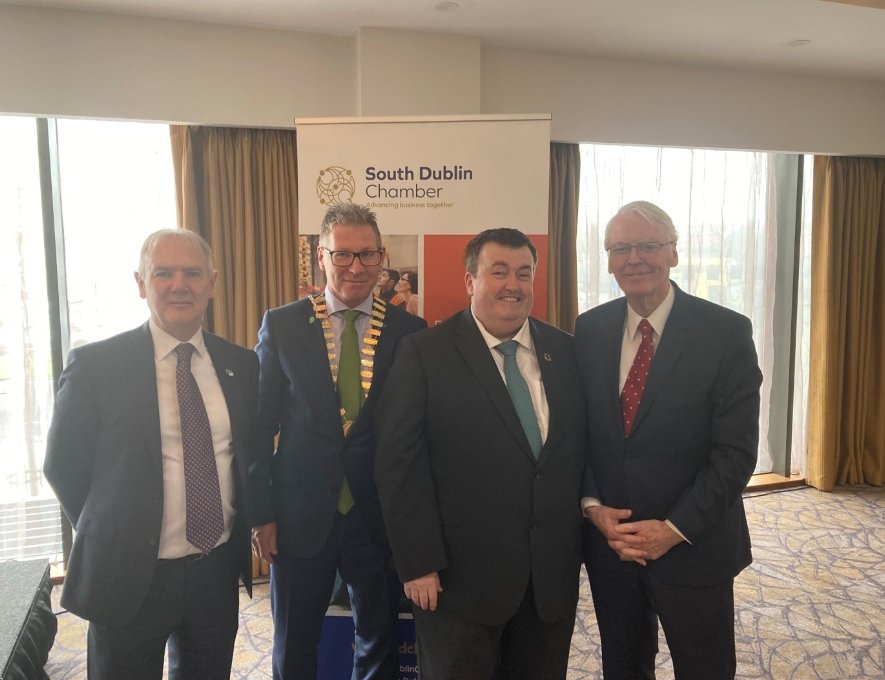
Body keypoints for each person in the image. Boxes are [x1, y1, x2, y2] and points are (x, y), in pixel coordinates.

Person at [43, 229, 259, 680]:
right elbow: (63, 465)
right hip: (127, 576)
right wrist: (111, 530)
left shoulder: (240, 364)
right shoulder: (96, 366)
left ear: (212, 283)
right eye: (163, 273)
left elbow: (246, 456)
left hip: (213, 572)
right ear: (141, 283)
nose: (179, 285)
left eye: (192, 273)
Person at [375, 228, 585, 680]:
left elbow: (575, 454)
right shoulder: (424, 353)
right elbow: (398, 465)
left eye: (524, 273)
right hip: (457, 585)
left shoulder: (565, 350)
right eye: (499, 272)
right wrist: (418, 562)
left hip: (547, 582)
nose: (513, 284)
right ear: (470, 281)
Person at [574, 200, 762, 680]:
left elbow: (735, 454)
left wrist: (673, 529)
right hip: (613, 546)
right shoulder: (589, 329)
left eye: (648, 245)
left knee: (704, 669)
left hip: (694, 544)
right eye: (620, 248)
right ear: (608, 259)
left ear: (673, 253)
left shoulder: (725, 332)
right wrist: (592, 507)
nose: (634, 258)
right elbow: (580, 434)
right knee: (623, 666)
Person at [250, 203, 426, 679]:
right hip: (299, 517)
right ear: (322, 257)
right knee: (294, 643)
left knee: (379, 643)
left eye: (367, 254)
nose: (356, 266)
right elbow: (259, 429)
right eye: (343, 254)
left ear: (382, 257)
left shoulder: (409, 332)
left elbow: (415, 437)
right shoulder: (283, 325)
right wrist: (261, 514)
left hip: (377, 518)